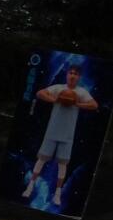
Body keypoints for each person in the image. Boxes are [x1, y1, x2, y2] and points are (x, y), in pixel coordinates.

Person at [23, 56, 99, 211]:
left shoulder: (81, 92)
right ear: (67, 74)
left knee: (62, 165)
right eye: (70, 72)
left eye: (75, 74)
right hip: (52, 132)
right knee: (41, 160)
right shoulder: (58, 88)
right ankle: (30, 186)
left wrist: (77, 103)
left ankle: (57, 193)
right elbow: (39, 93)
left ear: (79, 77)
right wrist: (55, 99)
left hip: (67, 135)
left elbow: (94, 105)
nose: (72, 75)